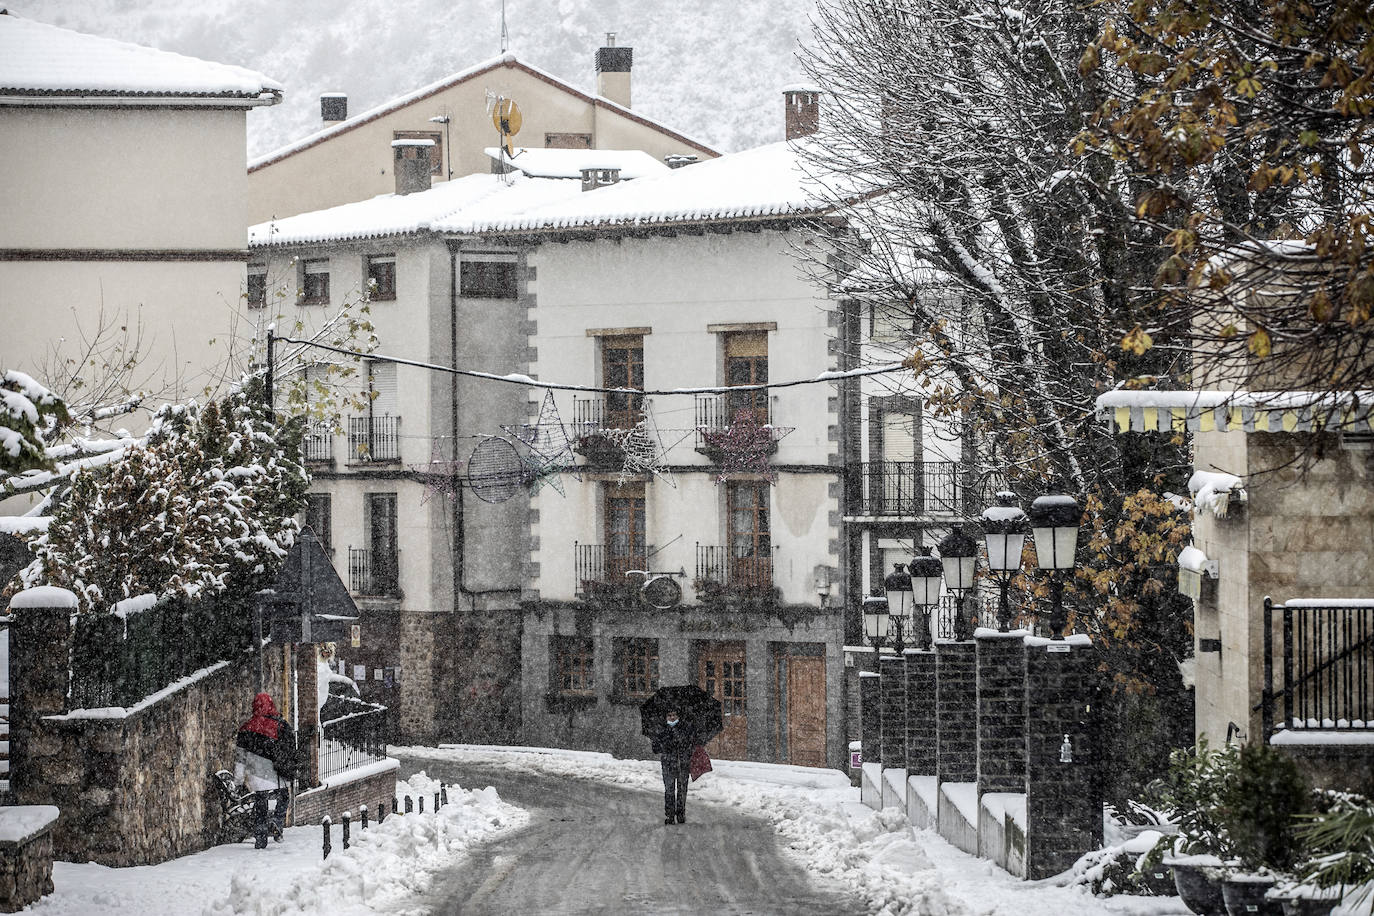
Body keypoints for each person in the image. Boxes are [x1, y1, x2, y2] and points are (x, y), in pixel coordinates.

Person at [234, 692, 298, 849]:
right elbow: (290, 751)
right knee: (283, 799)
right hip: (275, 776)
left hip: (255, 777)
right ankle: (276, 822)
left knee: (260, 806)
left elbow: (240, 758)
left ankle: (260, 838)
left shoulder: (245, 728)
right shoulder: (280, 725)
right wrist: (290, 770)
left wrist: (239, 779)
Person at [650, 709, 698, 825]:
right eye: (669, 715)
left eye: (674, 715)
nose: (672, 718)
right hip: (668, 764)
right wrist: (666, 743)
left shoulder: (686, 728)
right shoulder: (661, 729)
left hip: (682, 763)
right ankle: (670, 815)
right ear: (666, 717)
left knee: (682, 790)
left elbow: (692, 745)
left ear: (678, 716)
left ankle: (681, 814)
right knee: (669, 790)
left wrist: (682, 744)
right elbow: (655, 748)